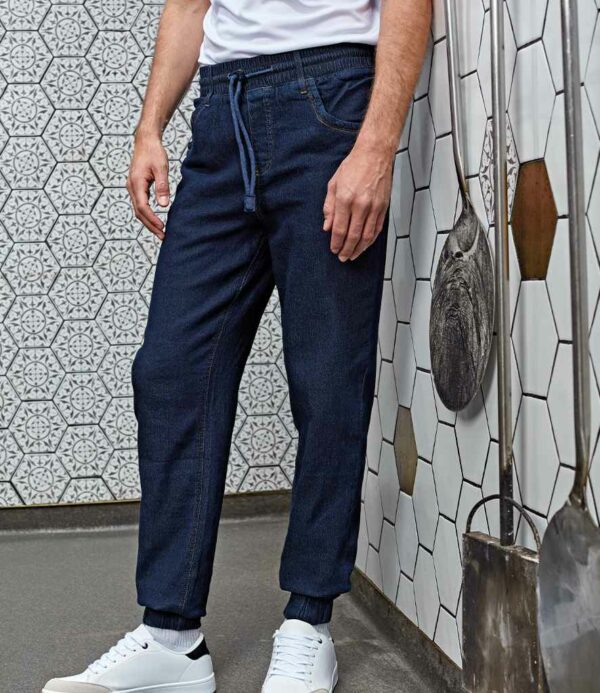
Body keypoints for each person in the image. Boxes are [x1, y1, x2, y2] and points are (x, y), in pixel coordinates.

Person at [42, 1, 431, 691]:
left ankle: (309, 622)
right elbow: (189, 4)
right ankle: (172, 639)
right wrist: (149, 126)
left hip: (331, 99)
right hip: (222, 111)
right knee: (172, 370)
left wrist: (375, 147)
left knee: (326, 376)